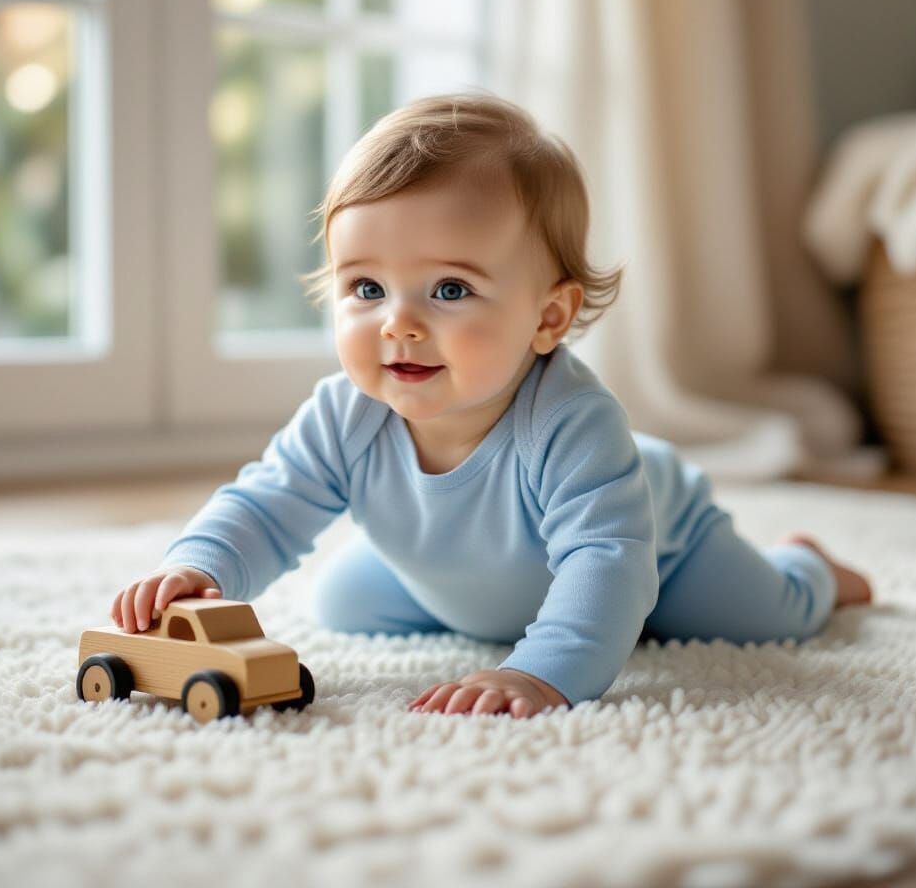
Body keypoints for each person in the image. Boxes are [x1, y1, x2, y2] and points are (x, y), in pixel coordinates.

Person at [110, 93, 873, 719]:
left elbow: (606, 562)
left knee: (761, 616)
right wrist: (199, 568)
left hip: (662, 553)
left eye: (449, 290)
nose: (397, 322)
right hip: (476, 571)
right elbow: (268, 505)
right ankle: (464, 580)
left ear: (546, 318)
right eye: (366, 288)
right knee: (343, 598)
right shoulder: (346, 413)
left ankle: (813, 567)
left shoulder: (572, 423)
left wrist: (542, 672)